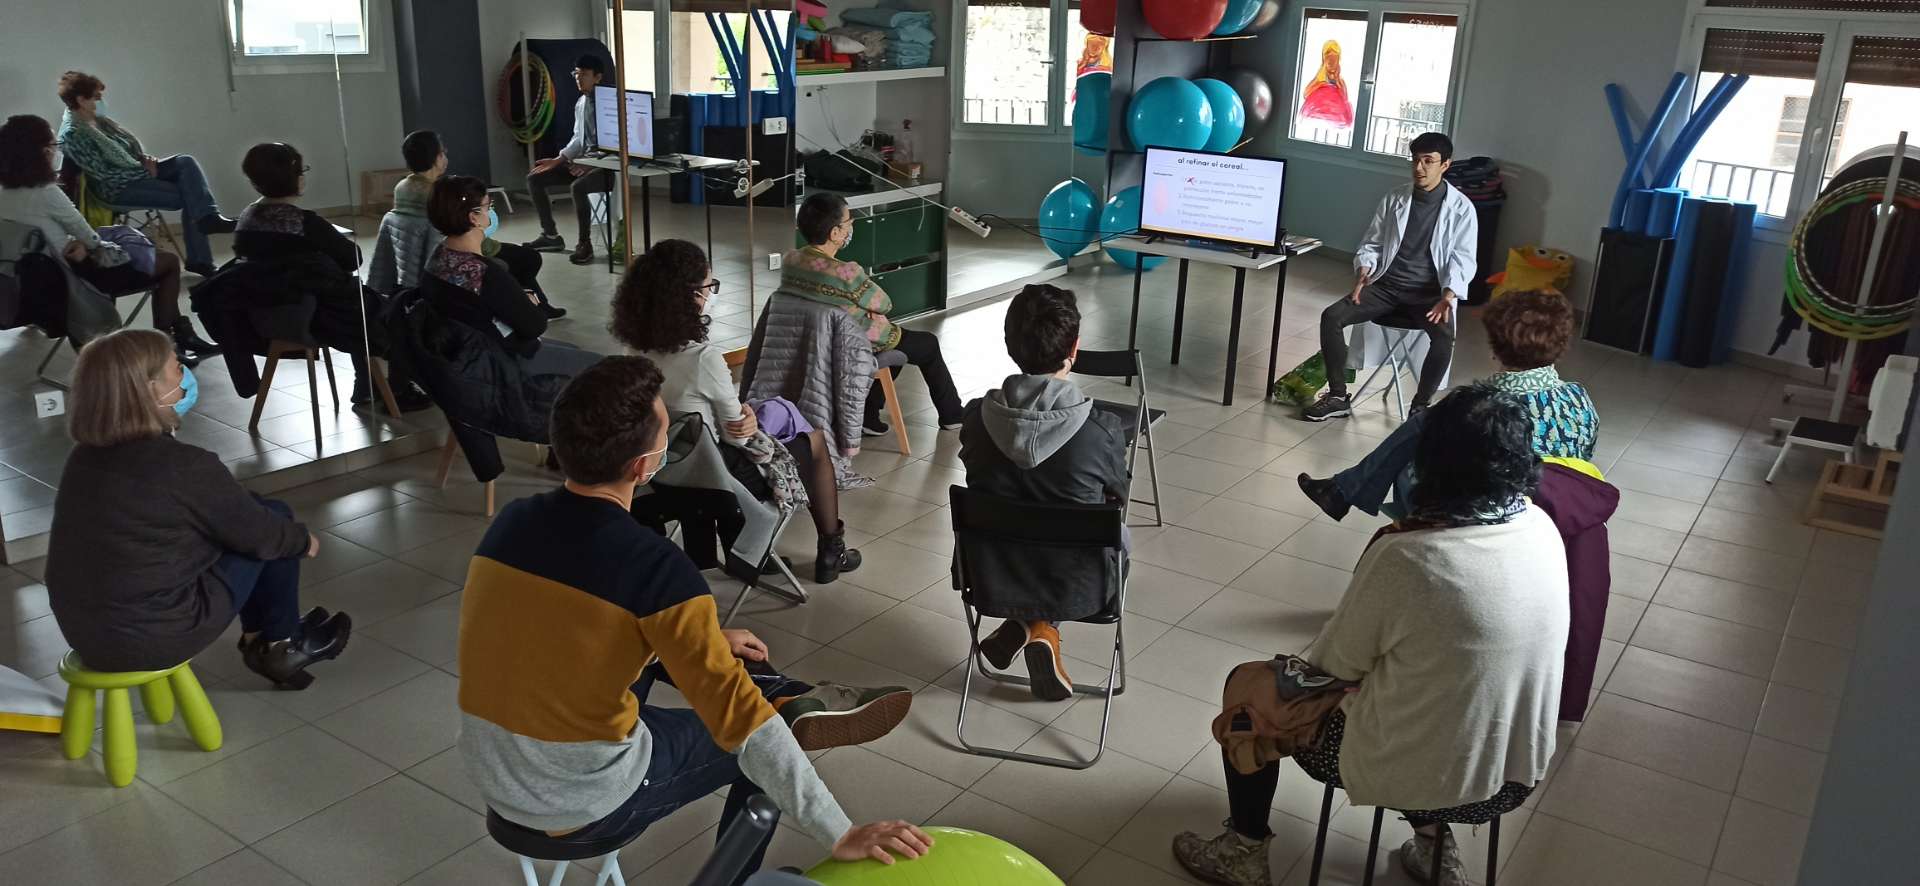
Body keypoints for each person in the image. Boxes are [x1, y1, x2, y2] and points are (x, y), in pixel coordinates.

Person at [457, 356, 925, 883]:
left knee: (706, 666)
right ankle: (745, 844)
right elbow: (739, 721)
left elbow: (560, 631)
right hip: (579, 797)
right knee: (761, 734)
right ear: (643, 467)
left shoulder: (511, 523)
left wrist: (701, 637)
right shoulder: (657, 569)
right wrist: (839, 832)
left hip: (493, 770)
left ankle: (789, 695)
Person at [1173, 386, 1569, 886]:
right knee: (1443, 697)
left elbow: (1331, 667)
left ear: (1430, 463)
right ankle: (1435, 847)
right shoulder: (1542, 528)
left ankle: (1244, 851)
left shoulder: (1410, 554)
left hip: (1417, 770)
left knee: (1249, 688)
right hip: (1511, 775)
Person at [44, 329, 351, 689]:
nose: (185, 372)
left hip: (86, 631)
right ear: (150, 389)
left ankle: (270, 638)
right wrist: (303, 541)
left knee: (257, 513)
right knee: (274, 524)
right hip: (151, 638)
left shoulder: (84, 457)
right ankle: (282, 645)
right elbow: (260, 534)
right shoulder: (181, 465)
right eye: (176, 367)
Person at [612, 239, 864, 583]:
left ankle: (753, 547)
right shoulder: (702, 359)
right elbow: (738, 436)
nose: (710, 294)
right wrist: (748, 420)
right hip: (715, 479)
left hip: (663, 472)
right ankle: (831, 550)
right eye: (709, 287)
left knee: (774, 420)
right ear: (690, 296)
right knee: (815, 442)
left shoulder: (631, 349)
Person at [958, 284, 1130, 701]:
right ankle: (1044, 629)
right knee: (1116, 531)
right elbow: (1118, 497)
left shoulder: (976, 419)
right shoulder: (1101, 430)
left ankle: (1024, 625)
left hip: (989, 574)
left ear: (1009, 345)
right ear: (1074, 348)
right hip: (1080, 586)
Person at [1298, 289, 1599, 522]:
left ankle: (1351, 495)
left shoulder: (1478, 407)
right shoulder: (1579, 399)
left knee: (1415, 456)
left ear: (1495, 349)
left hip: (1486, 515)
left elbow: (1449, 472)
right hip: (1559, 511)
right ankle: (1343, 490)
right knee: (1428, 426)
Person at [0, 114, 217, 365]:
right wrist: (95, 243)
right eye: (54, 145)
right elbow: (90, 239)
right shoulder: (47, 193)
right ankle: (166, 348)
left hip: (35, 282)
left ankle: (180, 335)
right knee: (167, 262)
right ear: (42, 152)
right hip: (75, 275)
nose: (57, 151)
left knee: (132, 245)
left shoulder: (4, 194)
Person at [231, 142, 429, 411]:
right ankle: (396, 389)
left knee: (354, 300)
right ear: (295, 178)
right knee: (390, 311)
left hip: (267, 316)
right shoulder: (305, 223)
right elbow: (353, 258)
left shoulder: (246, 219)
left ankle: (369, 386)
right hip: (314, 317)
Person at [1302, 131, 1478, 422]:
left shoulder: (1462, 209)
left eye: (1428, 161)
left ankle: (1420, 408)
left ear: (1445, 165)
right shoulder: (1395, 198)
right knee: (1332, 316)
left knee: (1445, 336)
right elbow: (1372, 243)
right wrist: (1364, 270)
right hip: (1386, 287)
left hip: (1428, 295)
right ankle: (1337, 396)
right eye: (1415, 160)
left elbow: (1463, 259)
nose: (1419, 168)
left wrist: (1448, 294)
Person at [785, 191, 965, 436]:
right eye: (849, 222)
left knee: (898, 347)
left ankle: (868, 415)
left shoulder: (792, 261)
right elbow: (884, 304)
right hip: (853, 345)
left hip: (816, 342)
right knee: (926, 345)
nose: (851, 227)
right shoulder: (846, 272)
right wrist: (871, 310)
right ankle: (953, 415)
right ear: (835, 233)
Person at [421, 175, 602, 410]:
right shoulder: (486, 272)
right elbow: (535, 326)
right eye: (488, 206)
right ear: (474, 217)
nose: (491, 212)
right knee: (602, 368)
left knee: (572, 351)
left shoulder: (436, 259)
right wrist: (530, 302)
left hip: (459, 359)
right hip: (500, 364)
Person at [54, 71, 235, 276]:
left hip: (136, 172)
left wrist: (144, 160)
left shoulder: (97, 121)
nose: (101, 101)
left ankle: (208, 221)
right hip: (117, 188)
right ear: (81, 100)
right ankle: (201, 251)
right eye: (96, 97)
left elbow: (127, 151)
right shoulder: (74, 134)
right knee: (191, 195)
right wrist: (146, 172)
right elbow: (105, 175)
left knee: (185, 162)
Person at [395, 129, 563, 319]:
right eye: (443, 152)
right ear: (436, 157)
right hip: (461, 250)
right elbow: (464, 226)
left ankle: (535, 304)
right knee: (527, 258)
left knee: (521, 259)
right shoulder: (438, 193)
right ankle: (531, 307)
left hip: (428, 255)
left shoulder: (403, 187)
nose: (445, 155)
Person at [522, 55, 614, 266]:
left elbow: (617, 146)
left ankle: (584, 243)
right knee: (534, 178)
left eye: (584, 74)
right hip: (584, 162)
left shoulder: (611, 103)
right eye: (576, 74)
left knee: (578, 187)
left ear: (597, 77)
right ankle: (551, 236)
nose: (578, 79)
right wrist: (558, 159)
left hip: (607, 168)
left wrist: (592, 164)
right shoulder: (581, 102)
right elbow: (578, 139)